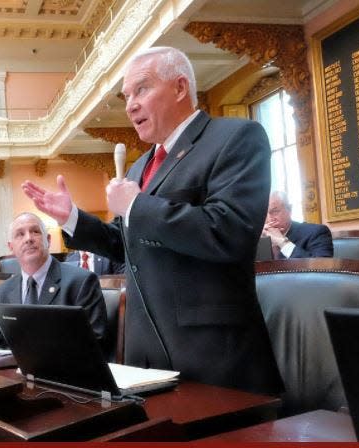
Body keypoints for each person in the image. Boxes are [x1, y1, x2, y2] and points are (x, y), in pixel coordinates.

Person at [21, 47, 282, 394]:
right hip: (145, 354)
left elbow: (228, 231)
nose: (129, 104)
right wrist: (72, 218)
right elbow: (123, 242)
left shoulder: (235, 138)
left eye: (141, 89)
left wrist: (136, 206)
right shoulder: (140, 165)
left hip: (214, 356)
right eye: (127, 95)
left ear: (179, 88)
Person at [0, 212, 107, 347]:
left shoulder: (81, 282)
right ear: (11, 247)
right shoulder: (3, 291)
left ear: (48, 240)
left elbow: (94, 343)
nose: (28, 238)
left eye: (35, 231)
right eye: (20, 234)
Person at [263, 191, 333, 258]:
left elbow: (321, 267)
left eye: (275, 211)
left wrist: (282, 242)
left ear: (289, 209)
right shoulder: (260, 237)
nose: (269, 218)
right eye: (264, 213)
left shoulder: (317, 232)